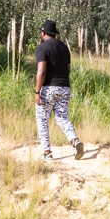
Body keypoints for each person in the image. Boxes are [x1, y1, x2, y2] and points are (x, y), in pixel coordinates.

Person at [34, 20, 83, 160]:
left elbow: (41, 71)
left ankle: (47, 153)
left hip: (48, 88)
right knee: (62, 117)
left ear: (43, 33)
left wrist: (37, 92)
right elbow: (67, 70)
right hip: (65, 87)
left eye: (40, 32)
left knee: (42, 119)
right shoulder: (64, 48)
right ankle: (75, 141)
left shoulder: (42, 48)